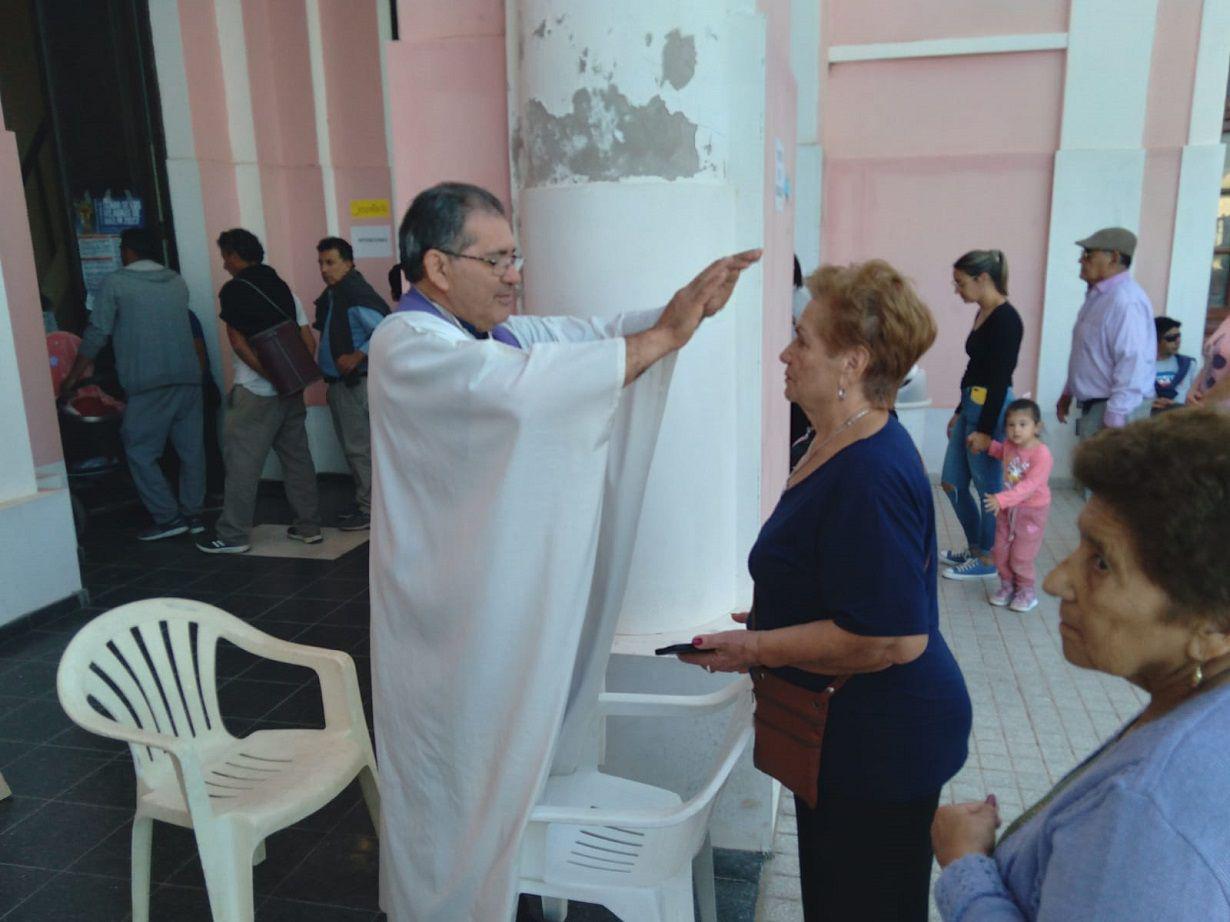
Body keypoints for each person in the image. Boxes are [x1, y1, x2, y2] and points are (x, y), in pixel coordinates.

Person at [368, 181, 760, 922]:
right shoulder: (409, 345)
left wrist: (674, 315)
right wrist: (666, 336)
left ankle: (502, 877)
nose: (515, 274)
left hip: (492, 618)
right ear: (438, 267)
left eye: (517, 256)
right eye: (498, 259)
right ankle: (441, 905)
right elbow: (520, 392)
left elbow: (586, 341)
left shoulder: (494, 336)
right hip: (442, 629)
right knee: (450, 784)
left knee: (502, 763)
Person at [677, 260, 972, 922]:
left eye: (802, 339)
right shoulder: (833, 439)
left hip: (883, 743)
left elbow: (887, 639)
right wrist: (780, 614)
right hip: (853, 738)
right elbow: (850, 583)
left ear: (853, 363)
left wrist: (756, 646)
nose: (784, 353)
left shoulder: (868, 472)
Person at [932, 408, 1230, 921]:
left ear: (1214, 627)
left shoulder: (1144, 817)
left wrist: (965, 865)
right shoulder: (1197, 712)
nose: (1055, 582)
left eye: (1101, 562)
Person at [60, 227, 206, 540]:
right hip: (188, 379)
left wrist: (73, 377)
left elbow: (98, 333)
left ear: (127, 251)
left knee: (139, 450)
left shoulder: (117, 283)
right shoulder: (177, 282)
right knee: (191, 451)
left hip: (148, 381)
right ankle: (193, 513)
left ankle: (168, 517)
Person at [196, 228, 322, 554]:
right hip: (291, 391)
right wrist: (291, 376)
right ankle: (309, 527)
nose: (224, 263)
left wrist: (270, 374)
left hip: (255, 393)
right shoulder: (283, 289)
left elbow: (238, 343)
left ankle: (233, 535)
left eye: (226, 256)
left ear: (237, 255)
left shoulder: (234, 291)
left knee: (242, 464)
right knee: (298, 459)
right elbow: (307, 340)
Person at [940, 250, 1023, 581]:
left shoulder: (1007, 319)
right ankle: (976, 547)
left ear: (983, 279)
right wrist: (960, 411)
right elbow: (974, 368)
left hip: (992, 408)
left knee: (989, 489)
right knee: (951, 482)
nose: (957, 290)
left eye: (961, 283)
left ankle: (990, 557)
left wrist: (987, 431)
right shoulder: (983, 313)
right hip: (972, 405)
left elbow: (1000, 379)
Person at [313, 236, 389, 530]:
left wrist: (358, 355)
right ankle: (367, 505)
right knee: (357, 448)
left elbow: (385, 332)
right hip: (341, 385)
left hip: (355, 385)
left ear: (349, 263)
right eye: (320, 263)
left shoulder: (354, 294)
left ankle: (370, 511)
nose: (324, 269)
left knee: (359, 449)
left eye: (330, 262)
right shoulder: (336, 294)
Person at [1055, 227, 1155, 439]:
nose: (1081, 261)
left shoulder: (1125, 301)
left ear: (1114, 257)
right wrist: (1068, 390)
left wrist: (1116, 417)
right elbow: (1088, 352)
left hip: (1116, 409)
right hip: (1098, 406)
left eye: (1088, 254)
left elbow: (1132, 361)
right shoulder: (1099, 296)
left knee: (1112, 472)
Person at [982, 399, 1052, 612]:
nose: (1016, 430)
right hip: (1008, 509)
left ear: (1036, 426)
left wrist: (1001, 499)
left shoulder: (1042, 455)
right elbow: (1001, 452)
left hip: (1031, 511)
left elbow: (1030, 486)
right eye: (1011, 425)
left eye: (1023, 424)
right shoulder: (1010, 446)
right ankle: (1007, 586)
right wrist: (987, 445)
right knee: (1001, 551)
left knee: (1022, 555)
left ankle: (1026, 591)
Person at [1151, 316, 1196, 413]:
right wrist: (1149, 403)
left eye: (1179, 336)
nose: (1178, 341)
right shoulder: (1141, 367)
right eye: (1171, 338)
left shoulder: (1188, 365)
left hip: (1180, 420)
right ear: (1155, 340)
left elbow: (1196, 397)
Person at [1187, 312, 1230, 408]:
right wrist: (1193, 389)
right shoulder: (1227, 320)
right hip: (1204, 401)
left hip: (1222, 406)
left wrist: (1210, 399)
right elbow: (1211, 360)